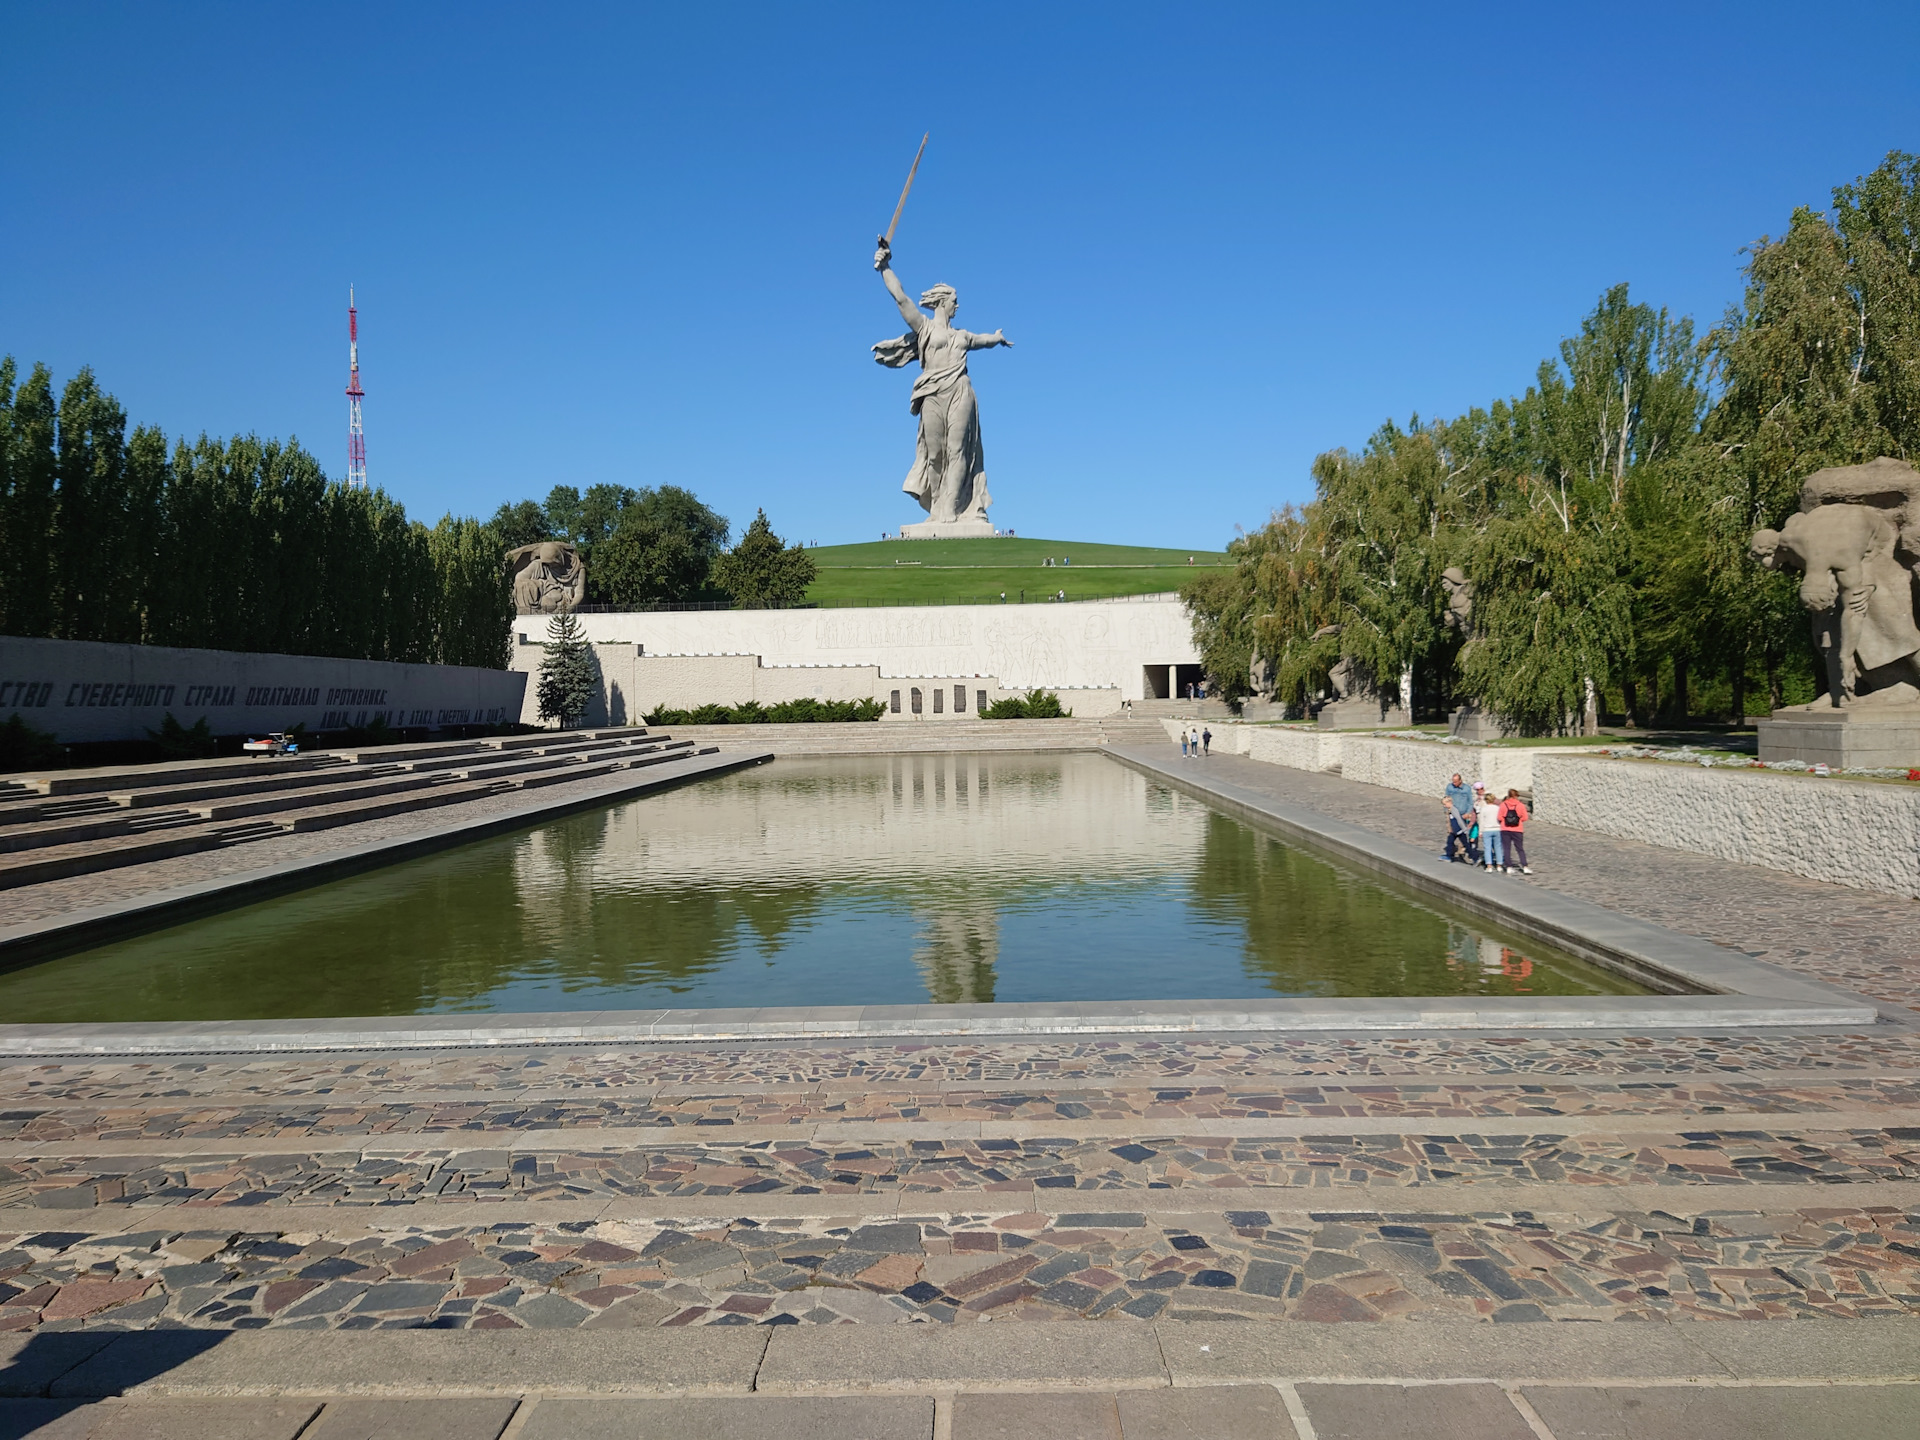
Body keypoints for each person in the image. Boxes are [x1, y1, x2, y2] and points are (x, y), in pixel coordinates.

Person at [871, 238, 1011, 525]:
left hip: (960, 391)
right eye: (954, 300)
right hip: (932, 394)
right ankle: (937, 507)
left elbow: (983, 340)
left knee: (958, 449)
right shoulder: (923, 328)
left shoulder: (962, 336)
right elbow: (901, 298)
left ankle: (950, 509)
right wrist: (885, 267)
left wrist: (996, 338)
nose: (957, 305)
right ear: (943, 301)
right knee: (935, 454)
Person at [1442, 773, 1474, 861]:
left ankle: (1462, 851)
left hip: (1463, 814)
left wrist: (1468, 813)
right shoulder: (1450, 787)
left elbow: (1470, 802)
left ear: (1460, 781)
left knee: (1462, 834)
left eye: (1456, 782)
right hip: (1452, 813)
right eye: (1453, 781)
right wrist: (1446, 812)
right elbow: (1446, 798)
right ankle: (1450, 852)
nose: (1454, 783)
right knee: (1451, 833)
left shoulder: (1466, 789)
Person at [1499, 788, 1532, 873]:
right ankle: (1524, 866)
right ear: (1516, 796)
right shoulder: (1520, 805)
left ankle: (1509, 867)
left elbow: (1499, 817)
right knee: (1520, 848)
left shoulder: (1503, 804)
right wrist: (1518, 820)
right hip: (1517, 829)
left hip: (1505, 828)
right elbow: (1525, 817)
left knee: (1506, 848)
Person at [1474, 782, 1503, 871]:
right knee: (1498, 847)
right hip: (1497, 829)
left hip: (1487, 829)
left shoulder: (1484, 809)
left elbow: (1482, 821)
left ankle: (1489, 866)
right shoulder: (1498, 808)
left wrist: (1480, 832)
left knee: (1487, 848)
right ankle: (1499, 865)